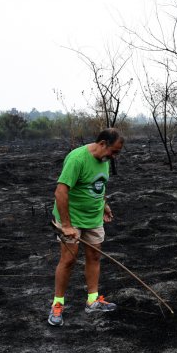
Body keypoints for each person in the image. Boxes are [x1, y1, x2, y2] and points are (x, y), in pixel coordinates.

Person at [47, 128, 124, 326]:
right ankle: (57, 304)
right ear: (103, 144)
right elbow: (60, 193)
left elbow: (98, 185)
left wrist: (104, 205)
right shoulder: (77, 159)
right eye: (113, 151)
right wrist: (66, 225)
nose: (113, 157)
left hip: (94, 217)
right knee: (68, 260)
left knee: (94, 256)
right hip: (72, 219)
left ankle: (93, 300)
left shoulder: (104, 160)